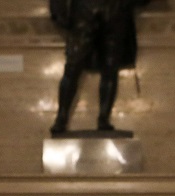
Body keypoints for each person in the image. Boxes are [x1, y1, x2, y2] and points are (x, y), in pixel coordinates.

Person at [49, 0, 150, 134]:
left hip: (115, 9)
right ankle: (61, 117)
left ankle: (104, 118)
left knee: (110, 67)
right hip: (84, 8)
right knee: (73, 65)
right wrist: (58, 11)